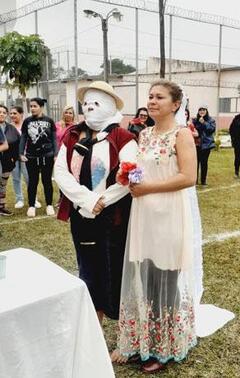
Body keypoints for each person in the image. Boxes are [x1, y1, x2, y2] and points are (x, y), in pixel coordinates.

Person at [111, 80, 202, 373]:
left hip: (169, 214)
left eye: (159, 97)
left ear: (175, 104)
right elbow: (141, 169)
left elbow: (188, 177)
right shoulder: (145, 134)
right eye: (150, 96)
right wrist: (127, 177)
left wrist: (148, 187)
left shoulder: (182, 134)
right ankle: (143, 342)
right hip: (144, 215)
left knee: (167, 278)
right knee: (146, 278)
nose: (152, 101)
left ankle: (166, 347)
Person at [54, 81, 136, 329]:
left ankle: (125, 331)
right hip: (81, 215)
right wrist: (86, 200)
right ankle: (93, 328)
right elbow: (61, 172)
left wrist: (101, 201)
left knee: (113, 271)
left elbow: (129, 174)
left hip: (113, 218)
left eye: (96, 103)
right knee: (88, 269)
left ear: (110, 106)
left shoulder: (123, 137)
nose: (89, 108)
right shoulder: (72, 135)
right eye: (86, 103)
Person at [19, 97, 57, 217]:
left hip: (47, 156)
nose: (32, 108)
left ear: (41, 107)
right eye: (31, 106)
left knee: (47, 181)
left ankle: (49, 205)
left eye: (35, 106)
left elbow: (54, 139)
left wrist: (55, 154)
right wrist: (21, 153)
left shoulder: (49, 121)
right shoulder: (27, 121)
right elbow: (24, 137)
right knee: (32, 182)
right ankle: (31, 206)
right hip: (31, 156)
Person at [9, 106, 40, 209]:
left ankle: (34, 199)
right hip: (13, 157)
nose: (12, 115)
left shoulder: (27, 125)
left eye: (15, 113)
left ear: (21, 114)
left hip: (25, 156)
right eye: (11, 113)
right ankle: (19, 199)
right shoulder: (8, 127)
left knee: (29, 178)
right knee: (16, 178)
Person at [0, 105, 20, 216]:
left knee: (2, 184)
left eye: (4, 112)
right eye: (0, 112)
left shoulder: (11, 128)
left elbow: (18, 143)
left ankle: (1, 207)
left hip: (7, 161)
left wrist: (14, 158)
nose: (2, 114)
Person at [192, 105, 216, 186]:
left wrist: (204, 123)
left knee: (204, 163)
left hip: (206, 144)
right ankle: (195, 180)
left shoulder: (211, 120)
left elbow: (211, 130)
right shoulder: (195, 120)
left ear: (206, 111)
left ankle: (203, 181)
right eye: (200, 110)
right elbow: (193, 129)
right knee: (196, 163)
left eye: (203, 110)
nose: (202, 111)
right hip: (196, 144)